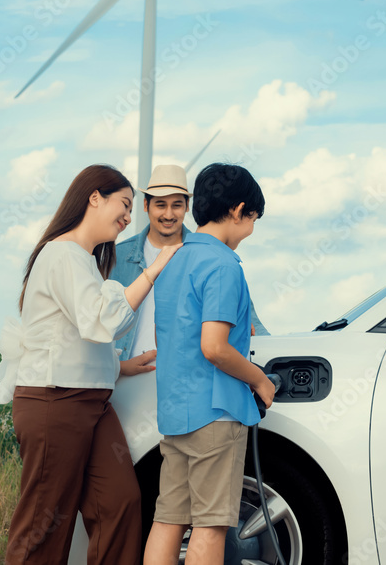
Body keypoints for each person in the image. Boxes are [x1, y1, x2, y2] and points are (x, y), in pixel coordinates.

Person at [0, 164, 182, 565]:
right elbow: (101, 321)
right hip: (53, 404)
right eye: (124, 205)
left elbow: (74, 337)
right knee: (44, 525)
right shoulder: (62, 254)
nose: (129, 217)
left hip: (92, 404)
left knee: (120, 504)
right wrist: (154, 270)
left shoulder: (86, 260)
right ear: (95, 197)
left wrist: (119, 367)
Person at [143, 163, 278, 565]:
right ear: (239, 211)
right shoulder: (223, 266)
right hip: (215, 416)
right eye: (252, 219)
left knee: (168, 520)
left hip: (174, 412)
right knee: (210, 525)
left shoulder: (172, 262)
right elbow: (215, 347)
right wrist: (261, 382)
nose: (250, 230)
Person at [112, 165, 270, 366]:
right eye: (160, 205)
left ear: (188, 206)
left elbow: (251, 323)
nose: (168, 214)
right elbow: (100, 321)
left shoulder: (211, 259)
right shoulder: (117, 256)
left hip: (182, 373)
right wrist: (116, 367)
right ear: (146, 205)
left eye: (177, 205)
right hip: (130, 372)